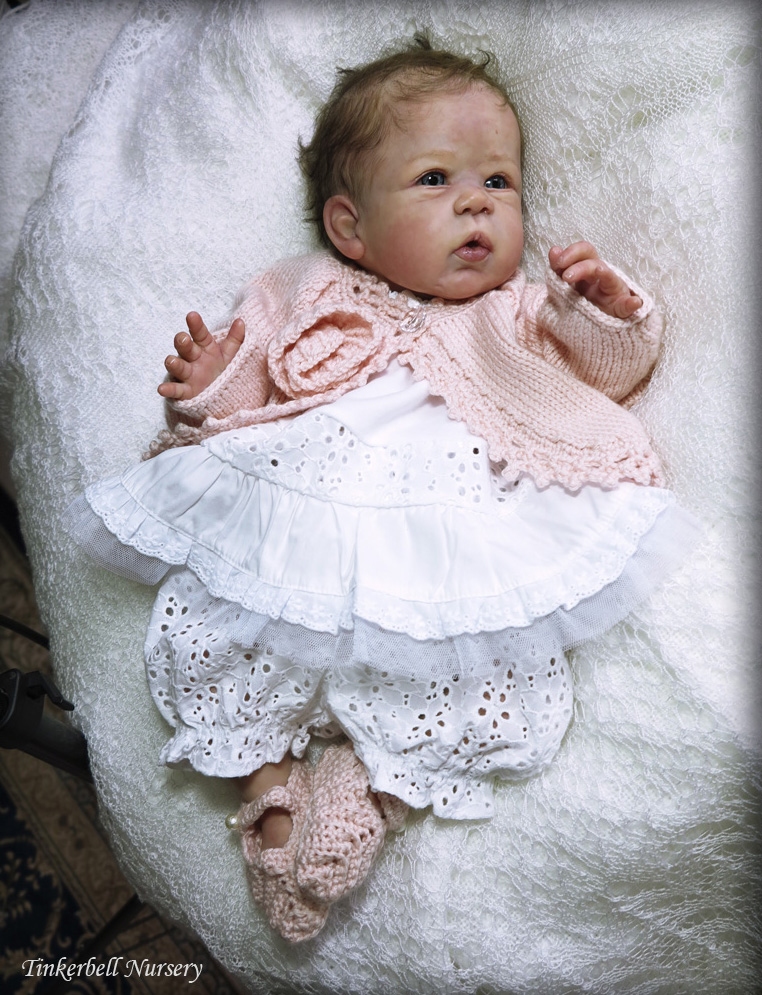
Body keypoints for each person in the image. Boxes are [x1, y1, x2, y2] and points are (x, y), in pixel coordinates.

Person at [65, 36, 697, 943]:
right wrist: (212, 382)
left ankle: (372, 784)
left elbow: (604, 376)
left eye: (499, 181)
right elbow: (254, 396)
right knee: (238, 633)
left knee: (461, 662)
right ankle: (266, 782)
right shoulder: (301, 286)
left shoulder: (516, 309)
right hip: (306, 499)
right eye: (435, 179)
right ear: (350, 227)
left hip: (444, 526)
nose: (477, 201)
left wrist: (605, 310)